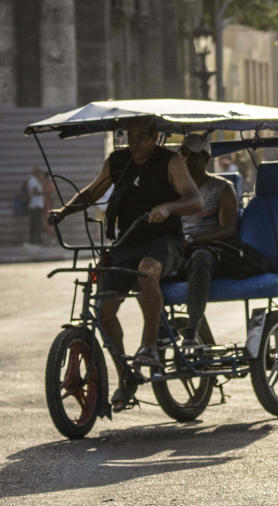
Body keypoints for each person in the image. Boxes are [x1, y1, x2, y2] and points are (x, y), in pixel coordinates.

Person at [48, 118, 201, 410]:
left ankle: (150, 347)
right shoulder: (118, 160)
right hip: (126, 243)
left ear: (155, 136)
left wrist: (168, 207)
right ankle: (126, 376)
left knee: (147, 269)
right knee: (103, 310)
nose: (135, 143)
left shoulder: (170, 161)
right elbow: (93, 192)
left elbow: (195, 200)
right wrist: (63, 212)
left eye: (141, 137)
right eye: (129, 137)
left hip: (164, 242)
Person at [178, 134, 240, 347]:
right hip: (180, 250)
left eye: (191, 156)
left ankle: (191, 330)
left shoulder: (222, 188)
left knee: (200, 257)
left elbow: (229, 229)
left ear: (205, 158)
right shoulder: (173, 190)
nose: (185, 161)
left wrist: (194, 238)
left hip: (213, 251)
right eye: (182, 155)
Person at [26, 167, 45, 244]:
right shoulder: (33, 180)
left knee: (35, 224)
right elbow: (34, 192)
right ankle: (36, 240)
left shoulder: (34, 180)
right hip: (35, 206)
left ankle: (34, 240)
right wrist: (44, 193)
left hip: (35, 205)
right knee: (36, 224)